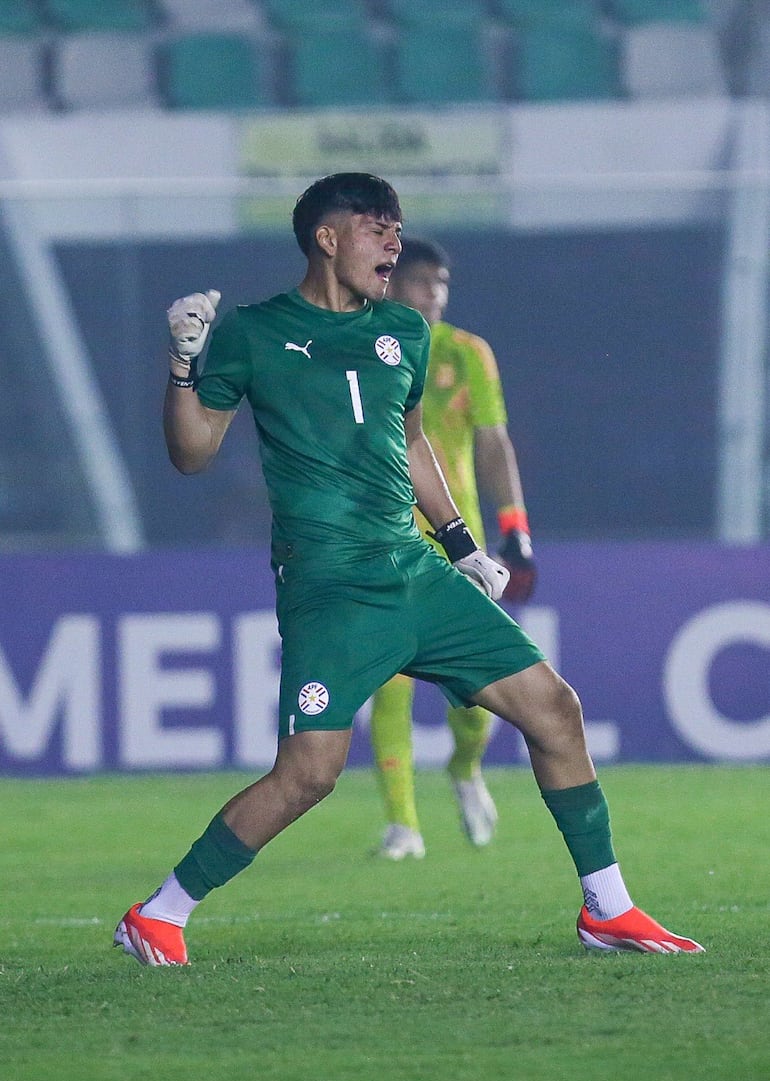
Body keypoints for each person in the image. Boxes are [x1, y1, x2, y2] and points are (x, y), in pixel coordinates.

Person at [114, 172, 704, 966]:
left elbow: (413, 440)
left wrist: (463, 546)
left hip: (413, 566)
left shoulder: (403, 331)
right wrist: (183, 364)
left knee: (554, 709)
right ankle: (158, 912)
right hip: (329, 584)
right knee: (309, 775)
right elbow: (191, 453)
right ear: (327, 237)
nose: (395, 242)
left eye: (397, 228)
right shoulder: (253, 331)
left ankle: (609, 906)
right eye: (376, 226)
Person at [371, 238, 536, 861]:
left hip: (456, 540)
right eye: (419, 282)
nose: (432, 294)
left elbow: (493, 443)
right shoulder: (364, 346)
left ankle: (465, 766)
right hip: (386, 538)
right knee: (389, 680)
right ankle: (403, 826)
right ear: (389, 285)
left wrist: (514, 526)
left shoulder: (467, 355)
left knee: (476, 690)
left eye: (439, 283)